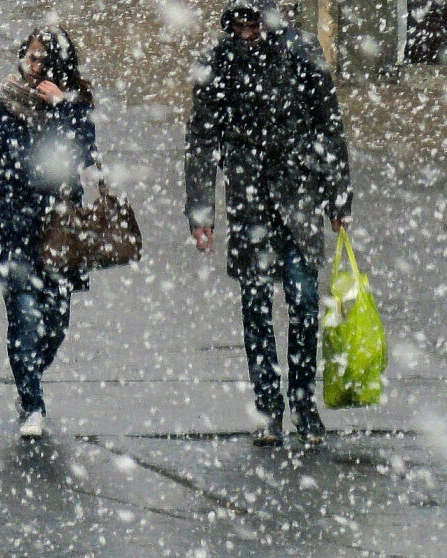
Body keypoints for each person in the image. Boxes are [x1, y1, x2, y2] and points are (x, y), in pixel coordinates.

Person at [185, 0, 351, 447]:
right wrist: (201, 210)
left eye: (253, 20)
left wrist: (338, 195)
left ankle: (302, 404)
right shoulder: (218, 62)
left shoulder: (300, 51)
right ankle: (267, 409)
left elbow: (327, 124)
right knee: (256, 307)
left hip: (299, 195)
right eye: (239, 22)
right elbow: (202, 137)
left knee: (302, 304)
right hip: (249, 200)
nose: (247, 30)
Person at [0, 26, 97, 438]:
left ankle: (30, 375)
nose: (34, 66)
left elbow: (85, 153)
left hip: (58, 232)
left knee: (55, 321)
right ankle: (32, 401)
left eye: (43, 59)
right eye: (30, 57)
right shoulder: (1, 108)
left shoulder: (74, 106)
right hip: (9, 228)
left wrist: (62, 107)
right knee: (24, 320)